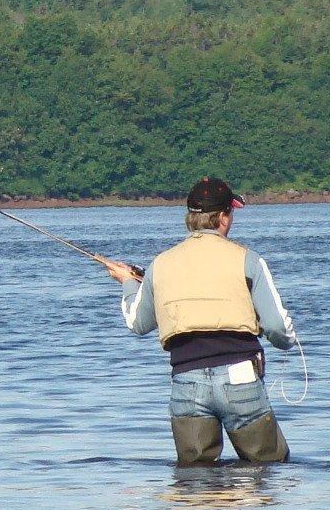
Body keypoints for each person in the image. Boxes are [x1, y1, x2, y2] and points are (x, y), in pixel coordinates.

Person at [97, 177, 298, 466]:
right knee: (268, 468)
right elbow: (278, 328)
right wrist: (289, 343)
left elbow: (137, 324)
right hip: (241, 377)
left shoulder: (160, 264)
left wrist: (129, 284)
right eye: (231, 212)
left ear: (191, 217)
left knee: (194, 481)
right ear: (224, 217)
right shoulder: (249, 260)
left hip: (186, 382)